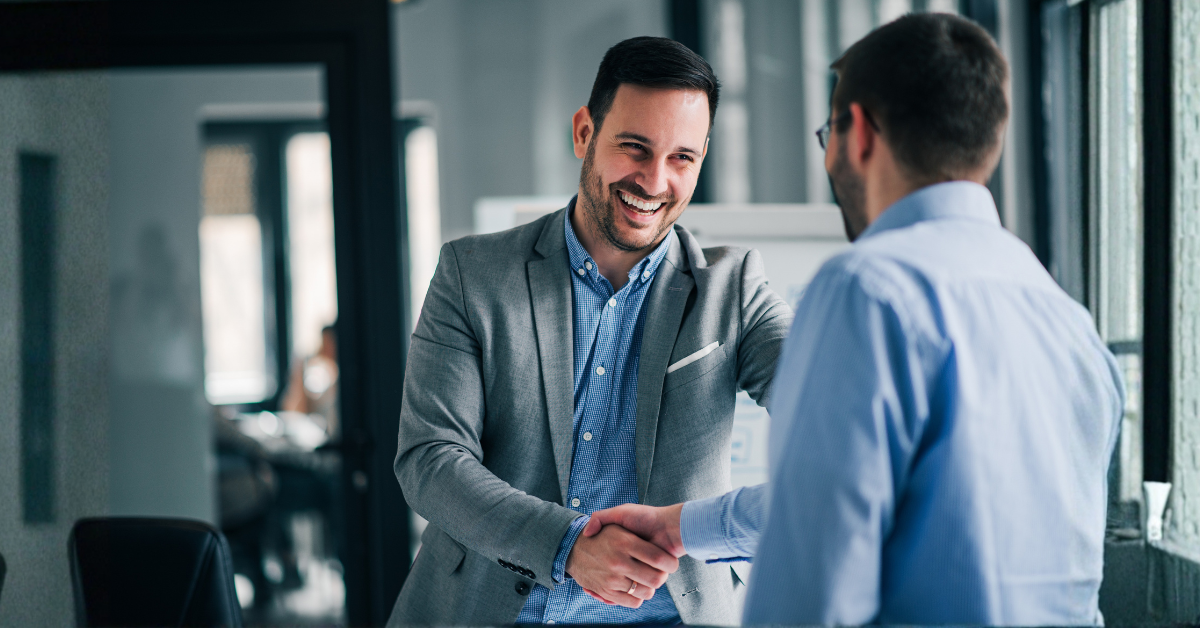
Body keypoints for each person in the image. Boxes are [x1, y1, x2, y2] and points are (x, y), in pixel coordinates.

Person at [583, 13, 1124, 626]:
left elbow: (812, 570)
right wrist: (682, 527)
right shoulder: (1070, 323)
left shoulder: (868, 291)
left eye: (827, 133)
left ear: (858, 133)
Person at [386, 36, 792, 626]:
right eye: (635, 147)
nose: (655, 181)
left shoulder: (733, 289)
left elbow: (836, 419)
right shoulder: (473, 275)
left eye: (683, 158)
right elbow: (430, 459)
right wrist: (567, 545)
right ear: (584, 133)